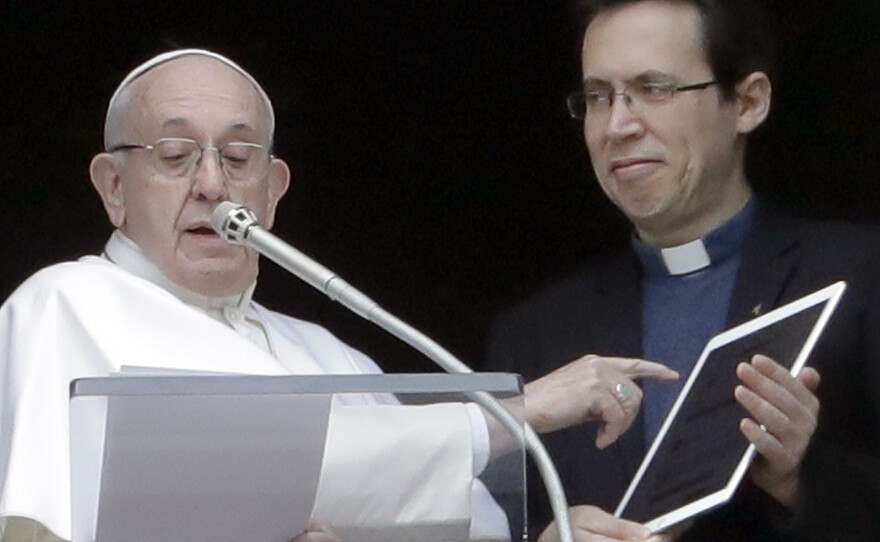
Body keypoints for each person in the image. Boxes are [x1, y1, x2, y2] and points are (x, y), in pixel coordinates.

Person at [0, 49, 677, 542]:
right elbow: (264, 464)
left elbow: (452, 520)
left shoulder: (330, 355)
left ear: (273, 190)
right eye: (175, 155)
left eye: (239, 160)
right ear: (113, 187)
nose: (212, 184)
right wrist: (518, 412)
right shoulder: (64, 304)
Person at [484, 0, 880, 541]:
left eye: (654, 88)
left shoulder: (861, 274)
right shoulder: (532, 336)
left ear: (748, 102)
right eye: (598, 96)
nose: (618, 125)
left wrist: (800, 479)